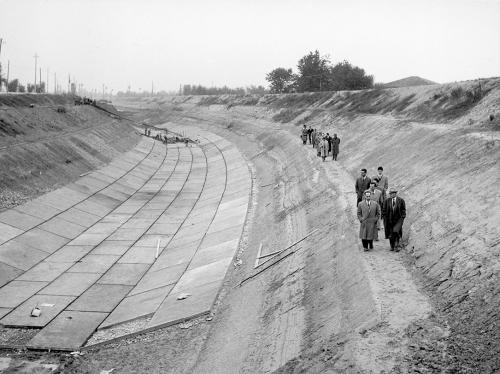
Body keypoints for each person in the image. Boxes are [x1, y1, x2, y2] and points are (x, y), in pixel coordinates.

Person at [382, 187, 406, 251]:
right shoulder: (387, 201)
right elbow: (384, 210)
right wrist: (385, 218)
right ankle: (392, 246)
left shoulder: (401, 200)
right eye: (390, 193)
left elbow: (403, 210)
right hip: (389, 220)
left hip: (398, 220)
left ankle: (397, 245)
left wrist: (402, 217)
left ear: (395, 193)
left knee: (396, 231)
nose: (391, 194)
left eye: (392, 193)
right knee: (390, 233)